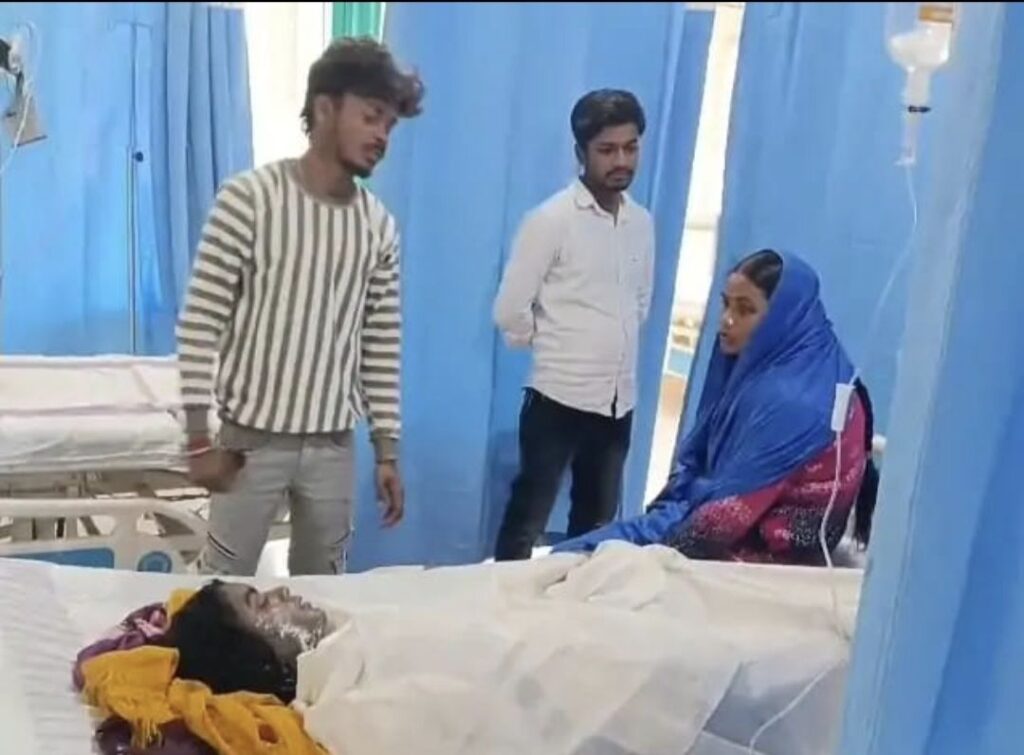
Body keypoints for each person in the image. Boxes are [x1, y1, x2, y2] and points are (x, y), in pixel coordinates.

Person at [175, 38, 425, 576]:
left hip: (333, 447)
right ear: (325, 108)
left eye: (390, 125)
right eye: (371, 117)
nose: (382, 136)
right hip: (250, 441)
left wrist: (386, 450)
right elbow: (199, 324)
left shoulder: (378, 227)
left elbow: (380, 347)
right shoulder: (248, 199)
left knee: (324, 589)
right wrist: (197, 438)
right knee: (220, 584)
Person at [553, 249, 879, 565]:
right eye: (726, 304)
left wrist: (618, 552)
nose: (726, 320)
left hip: (771, 554)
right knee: (582, 555)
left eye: (745, 309)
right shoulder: (800, 360)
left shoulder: (793, 401)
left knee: (581, 566)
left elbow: (712, 529)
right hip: (737, 519)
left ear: (784, 317)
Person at [492, 89, 655, 561]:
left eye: (630, 147)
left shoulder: (641, 223)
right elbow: (510, 308)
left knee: (595, 527)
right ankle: (504, 600)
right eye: (607, 149)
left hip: (618, 402)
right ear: (581, 153)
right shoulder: (551, 220)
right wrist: (554, 344)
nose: (621, 160)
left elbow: (640, 301)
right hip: (557, 400)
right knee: (527, 520)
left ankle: (574, 602)